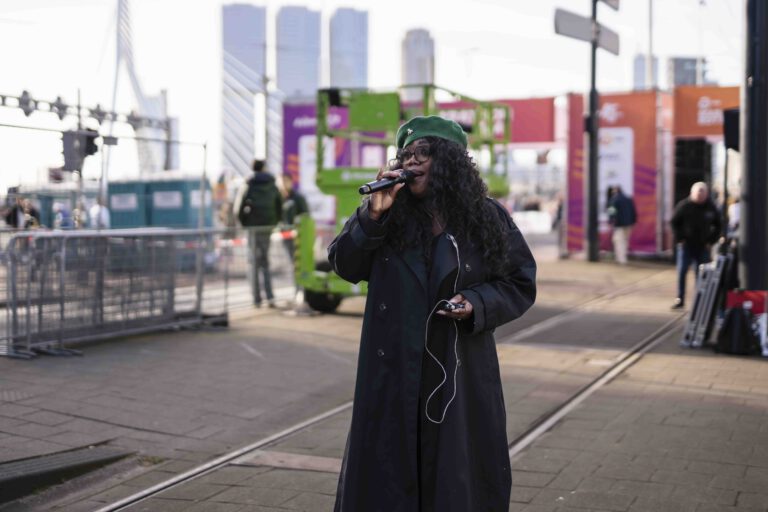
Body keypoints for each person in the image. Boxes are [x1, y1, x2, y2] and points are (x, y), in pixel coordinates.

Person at [329, 116, 537, 511]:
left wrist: (477, 302)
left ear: (450, 161)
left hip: (456, 372)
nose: (411, 160)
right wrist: (372, 216)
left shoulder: (486, 217)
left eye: (423, 152)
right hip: (393, 369)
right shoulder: (385, 213)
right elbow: (345, 264)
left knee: (454, 475)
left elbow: (520, 281)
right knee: (387, 475)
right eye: (405, 153)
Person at [235, 159, 282, 307]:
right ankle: (270, 297)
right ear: (264, 168)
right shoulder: (272, 184)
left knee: (253, 263)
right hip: (267, 227)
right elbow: (280, 206)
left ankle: (256, 299)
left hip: (253, 228)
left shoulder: (247, 184)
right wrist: (274, 222)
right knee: (265, 262)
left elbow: (238, 209)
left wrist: (245, 223)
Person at [670, 182, 722, 309]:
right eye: (698, 193)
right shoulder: (684, 206)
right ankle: (680, 298)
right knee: (682, 272)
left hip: (703, 246)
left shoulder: (710, 207)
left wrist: (711, 241)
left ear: (706, 194)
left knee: (702, 274)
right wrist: (680, 239)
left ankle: (700, 300)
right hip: (686, 246)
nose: (700, 196)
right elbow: (673, 223)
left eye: (702, 193)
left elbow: (719, 225)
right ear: (692, 193)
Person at [280, 174, 309, 261]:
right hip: (286, 234)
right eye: (282, 182)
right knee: (291, 259)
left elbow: (305, 214)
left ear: (291, 182)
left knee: (299, 260)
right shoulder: (280, 198)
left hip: (298, 235)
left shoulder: (298, 197)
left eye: (285, 181)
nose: (283, 184)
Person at [606, 185, 637, 265]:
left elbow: (611, 211)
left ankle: (621, 259)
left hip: (619, 224)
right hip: (629, 223)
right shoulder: (628, 199)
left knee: (618, 241)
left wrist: (610, 221)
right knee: (625, 241)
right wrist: (633, 221)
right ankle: (622, 258)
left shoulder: (614, 199)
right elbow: (633, 211)